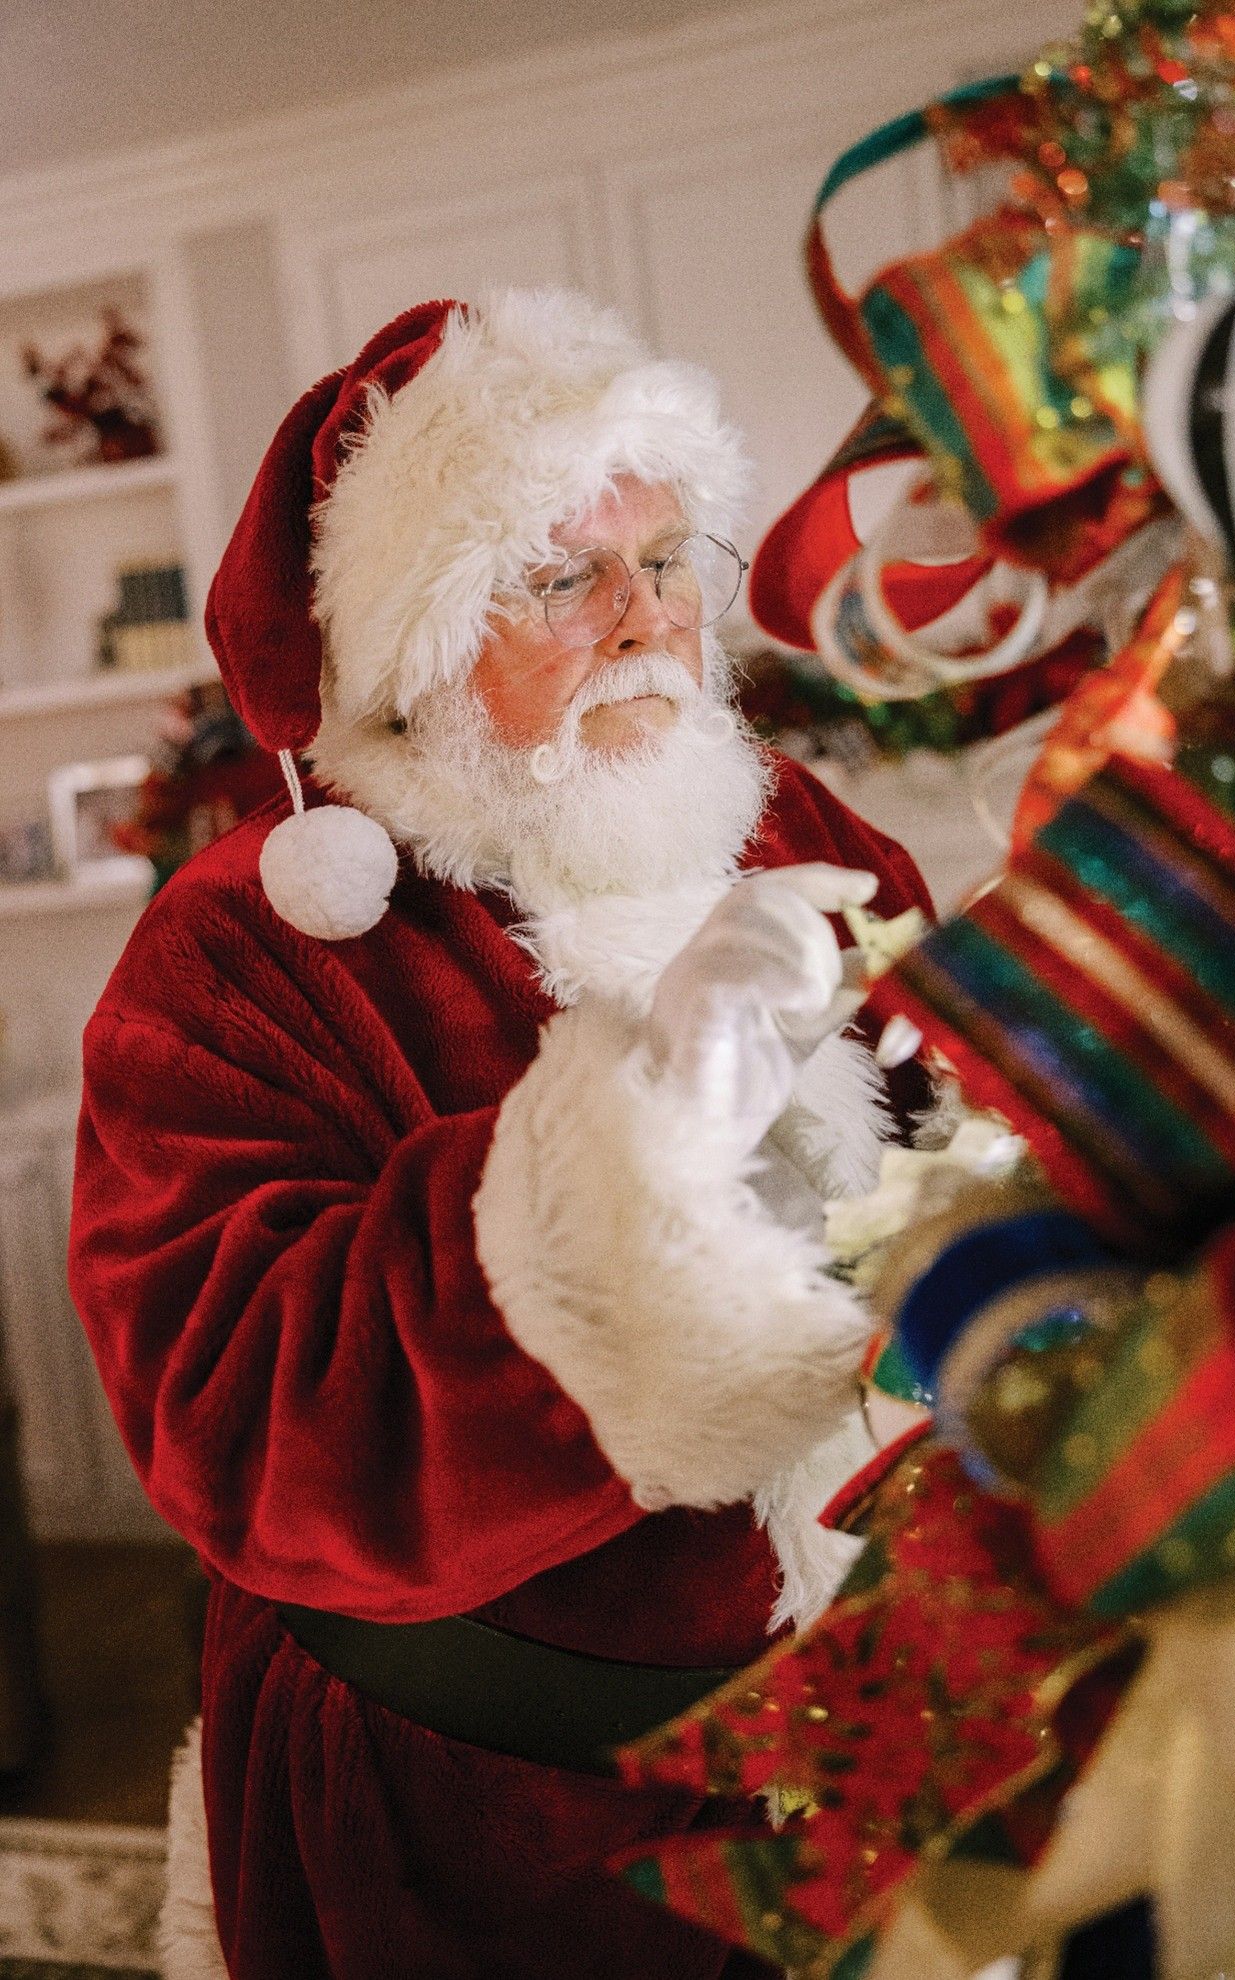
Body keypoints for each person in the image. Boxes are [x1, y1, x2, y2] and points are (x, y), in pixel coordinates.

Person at [68, 287, 932, 1980]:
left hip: (884, 1749)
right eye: (560, 575)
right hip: (484, 1836)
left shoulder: (797, 822)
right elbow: (243, 1427)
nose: (646, 620)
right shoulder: (241, 946)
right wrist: (613, 1184)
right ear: (416, 634)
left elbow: (989, 1137)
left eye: (668, 558)